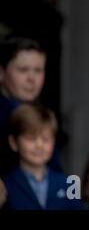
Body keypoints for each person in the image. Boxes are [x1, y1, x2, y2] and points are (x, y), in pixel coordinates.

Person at [0, 38, 63, 177]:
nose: (31, 78)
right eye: (23, 70)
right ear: (1, 73)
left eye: (38, 70)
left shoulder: (43, 115)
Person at [1, 104, 83, 210]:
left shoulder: (70, 184)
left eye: (46, 139)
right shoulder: (5, 185)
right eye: (31, 138)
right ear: (13, 142)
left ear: (54, 142)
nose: (39, 145)